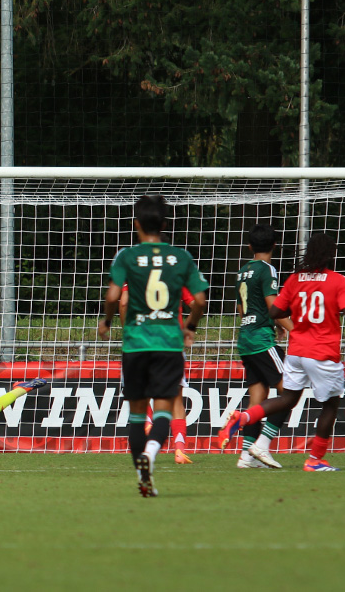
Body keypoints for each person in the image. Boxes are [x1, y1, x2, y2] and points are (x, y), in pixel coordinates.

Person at [98, 195, 208, 497]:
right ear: (164, 224)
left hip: (135, 344)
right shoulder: (181, 257)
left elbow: (112, 298)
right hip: (168, 345)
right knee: (164, 410)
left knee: (136, 415)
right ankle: (152, 454)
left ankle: (141, 476)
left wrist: (107, 322)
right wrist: (190, 327)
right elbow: (199, 300)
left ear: (136, 224)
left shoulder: (126, 256)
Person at [219, 232, 345, 472]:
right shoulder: (337, 280)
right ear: (331, 254)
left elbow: (276, 311)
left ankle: (246, 425)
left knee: (286, 398)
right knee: (331, 404)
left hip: (295, 351)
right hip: (321, 350)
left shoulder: (295, 279)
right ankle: (314, 459)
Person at [232, 224, 294, 469]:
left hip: (245, 338)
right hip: (260, 340)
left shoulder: (243, 270)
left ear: (250, 246)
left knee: (257, 399)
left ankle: (246, 456)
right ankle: (262, 445)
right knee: (289, 392)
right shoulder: (268, 269)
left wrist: (274, 324)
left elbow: (241, 308)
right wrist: (294, 329)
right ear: (274, 246)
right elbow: (273, 306)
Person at [120, 283, 196, 465]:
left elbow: (123, 303)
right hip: (171, 342)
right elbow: (196, 303)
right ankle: (179, 450)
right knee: (176, 399)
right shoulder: (176, 273)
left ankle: (147, 425)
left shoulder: (136, 271)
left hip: (141, 341)